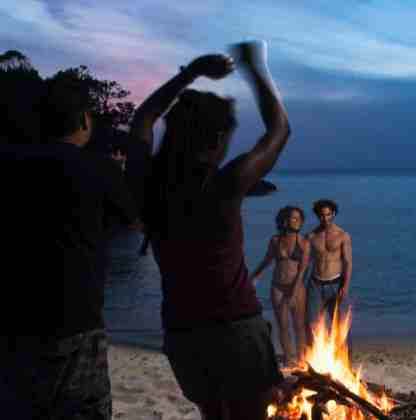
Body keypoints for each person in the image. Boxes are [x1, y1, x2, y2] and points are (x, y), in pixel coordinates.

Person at [129, 40, 290, 420]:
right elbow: (280, 131)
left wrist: (190, 72)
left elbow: (142, 120)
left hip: (183, 334)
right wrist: (255, 68)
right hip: (235, 329)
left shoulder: (148, 183)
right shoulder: (223, 185)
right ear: (218, 139)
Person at [0, 75, 140, 419]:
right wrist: (119, 174)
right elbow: (134, 220)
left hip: (13, 322)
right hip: (75, 322)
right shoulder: (97, 168)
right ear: (82, 120)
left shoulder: (8, 163)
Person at [249, 206, 310, 364]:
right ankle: (290, 359)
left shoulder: (303, 242)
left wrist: (293, 291)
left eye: (299, 219)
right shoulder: (275, 240)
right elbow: (267, 260)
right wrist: (252, 276)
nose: (297, 221)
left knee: (299, 326)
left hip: (296, 287)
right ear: (285, 220)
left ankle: (302, 359)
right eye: (293, 218)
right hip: (278, 286)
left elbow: (302, 270)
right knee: (282, 325)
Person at [305, 199, 353, 345]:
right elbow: (305, 263)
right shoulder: (311, 236)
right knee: (312, 323)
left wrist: (345, 286)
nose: (325, 218)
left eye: (328, 215)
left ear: (333, 214)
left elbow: (348, 262)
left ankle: (345, 361)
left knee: (340, 324)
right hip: (315, 285)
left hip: (336, 284)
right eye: (322, 215)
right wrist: (298, 285)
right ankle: (317, 359)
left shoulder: (343, 235)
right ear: (317, 216)